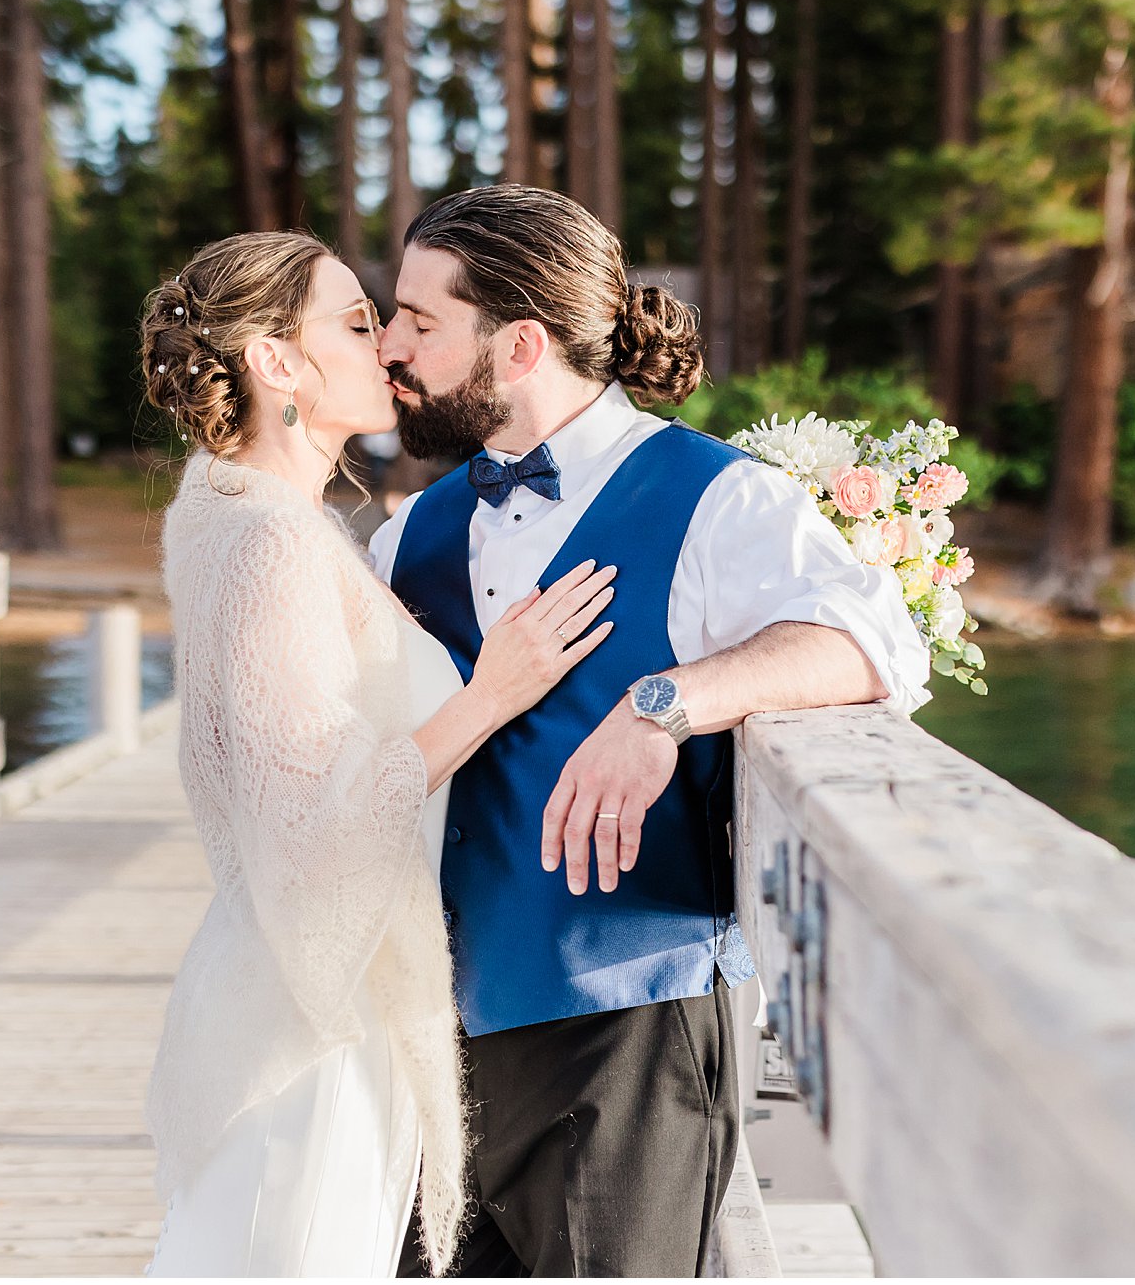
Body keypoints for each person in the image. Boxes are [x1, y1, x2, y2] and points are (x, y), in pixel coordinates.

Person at [371, 185, 932, 1277]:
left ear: (518, 342)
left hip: (624, 1024)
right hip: (428, 1037)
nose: (391, 344)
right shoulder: (415, 530)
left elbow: (873, 646)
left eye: (419, 319)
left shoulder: (720, 497)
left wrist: (661, 704)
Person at [136, 230, 623, 1277]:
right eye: (358, 324)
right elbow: (309, 819)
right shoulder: (268, 541)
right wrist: (491, 693)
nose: (392, 346)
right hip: (313, 1024)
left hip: (328, 987)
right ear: (274, 362)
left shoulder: (258, 519)